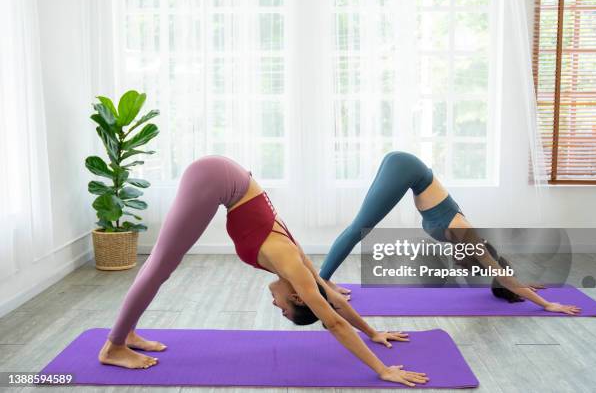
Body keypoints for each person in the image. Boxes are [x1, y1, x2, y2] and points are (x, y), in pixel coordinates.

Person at [98, 155, 428, 388]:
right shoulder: (292, 266)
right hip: (216, 178)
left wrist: (372, 333)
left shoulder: (300, 264)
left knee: (162, 266)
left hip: (225, 176)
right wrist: (381, 369)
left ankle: (126, 333)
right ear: (298, 296)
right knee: (160, 265)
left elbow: (333, 299)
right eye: (285, 309)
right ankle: (113, 347)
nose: (275, 306)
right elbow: (334, 321)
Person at [319, 151, 581, 316]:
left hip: (403, 166)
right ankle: (321, 283)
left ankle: (323, 280)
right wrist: (547, 304)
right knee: (359, 228)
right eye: (468, 266)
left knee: (360, 227)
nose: (461, 267)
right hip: (407, 168)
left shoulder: (468, 242)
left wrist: (519, 283)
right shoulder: (466, 235)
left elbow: (500, 271)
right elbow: (499, 271)